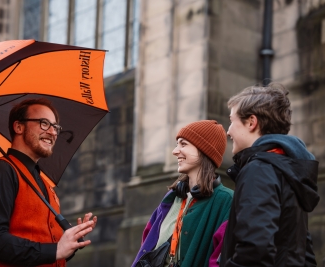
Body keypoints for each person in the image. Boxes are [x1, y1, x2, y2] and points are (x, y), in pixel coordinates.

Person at [0, 98, 97, 267]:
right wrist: (56, 250)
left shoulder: (45, 183)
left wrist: (70, 242)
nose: (53, 133)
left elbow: (44, 249)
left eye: (55, 127)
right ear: (18, 127)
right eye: (44, 123)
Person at [220, 83, 320, 267]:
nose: (228, 131)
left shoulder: (259, 170)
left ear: (251, 122)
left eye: (231, 121)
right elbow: (304, 253)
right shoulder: (286, 169)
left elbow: (254, 249)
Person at [132, 120, 234, 267]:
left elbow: (222, 257)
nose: (175, 151)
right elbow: (147, 241)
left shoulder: (226, 201)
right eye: (176, 144)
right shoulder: (171, 198)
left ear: (204, 150)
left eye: (183, 144)